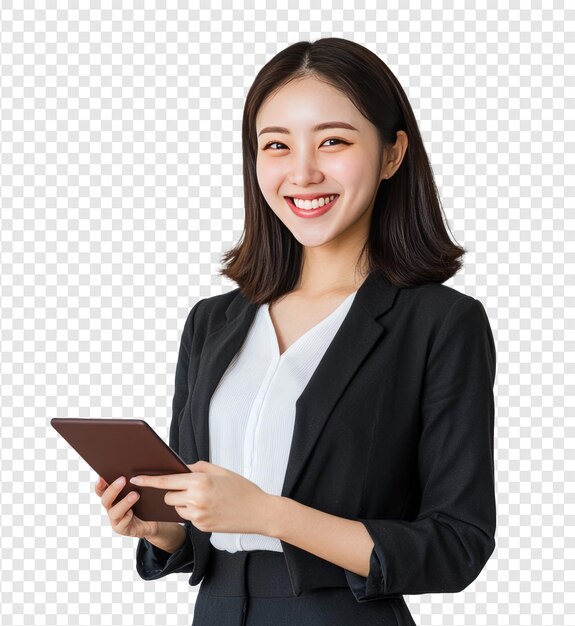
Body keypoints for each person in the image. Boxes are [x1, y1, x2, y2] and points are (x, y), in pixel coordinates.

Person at [95, 37, 497, 626]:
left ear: (392, 154)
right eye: (276, 145)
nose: (303, 172)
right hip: (218, 611)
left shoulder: (440, 324)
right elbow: (201, 525)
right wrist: (165, 533)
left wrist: (269, 515)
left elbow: (457, 545)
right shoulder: (213, 321)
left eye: (333, 141)